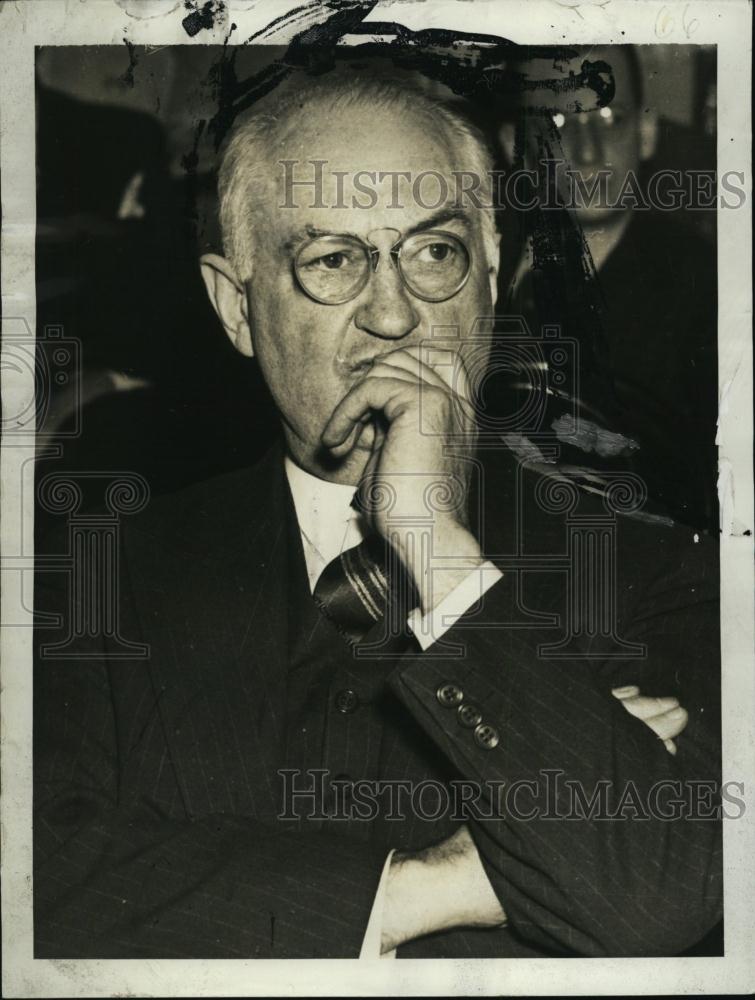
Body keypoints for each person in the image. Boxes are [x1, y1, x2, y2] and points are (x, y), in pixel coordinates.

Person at [34, 69, 722, 959]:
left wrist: (434, 546)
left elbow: (656, 895)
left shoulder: (660, 571)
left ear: (494, 278)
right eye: (332, 260)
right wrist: (420, 889)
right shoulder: (97, 575)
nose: (393, 314)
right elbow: (34, 886)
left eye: (434, 253)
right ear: (236, 306)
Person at [500, 45, 718, 532]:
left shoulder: (707, 288)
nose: (588, 151)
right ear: (514, 144)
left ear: (645, 132)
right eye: (556, 124)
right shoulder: (469, 256)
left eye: (609, 117)